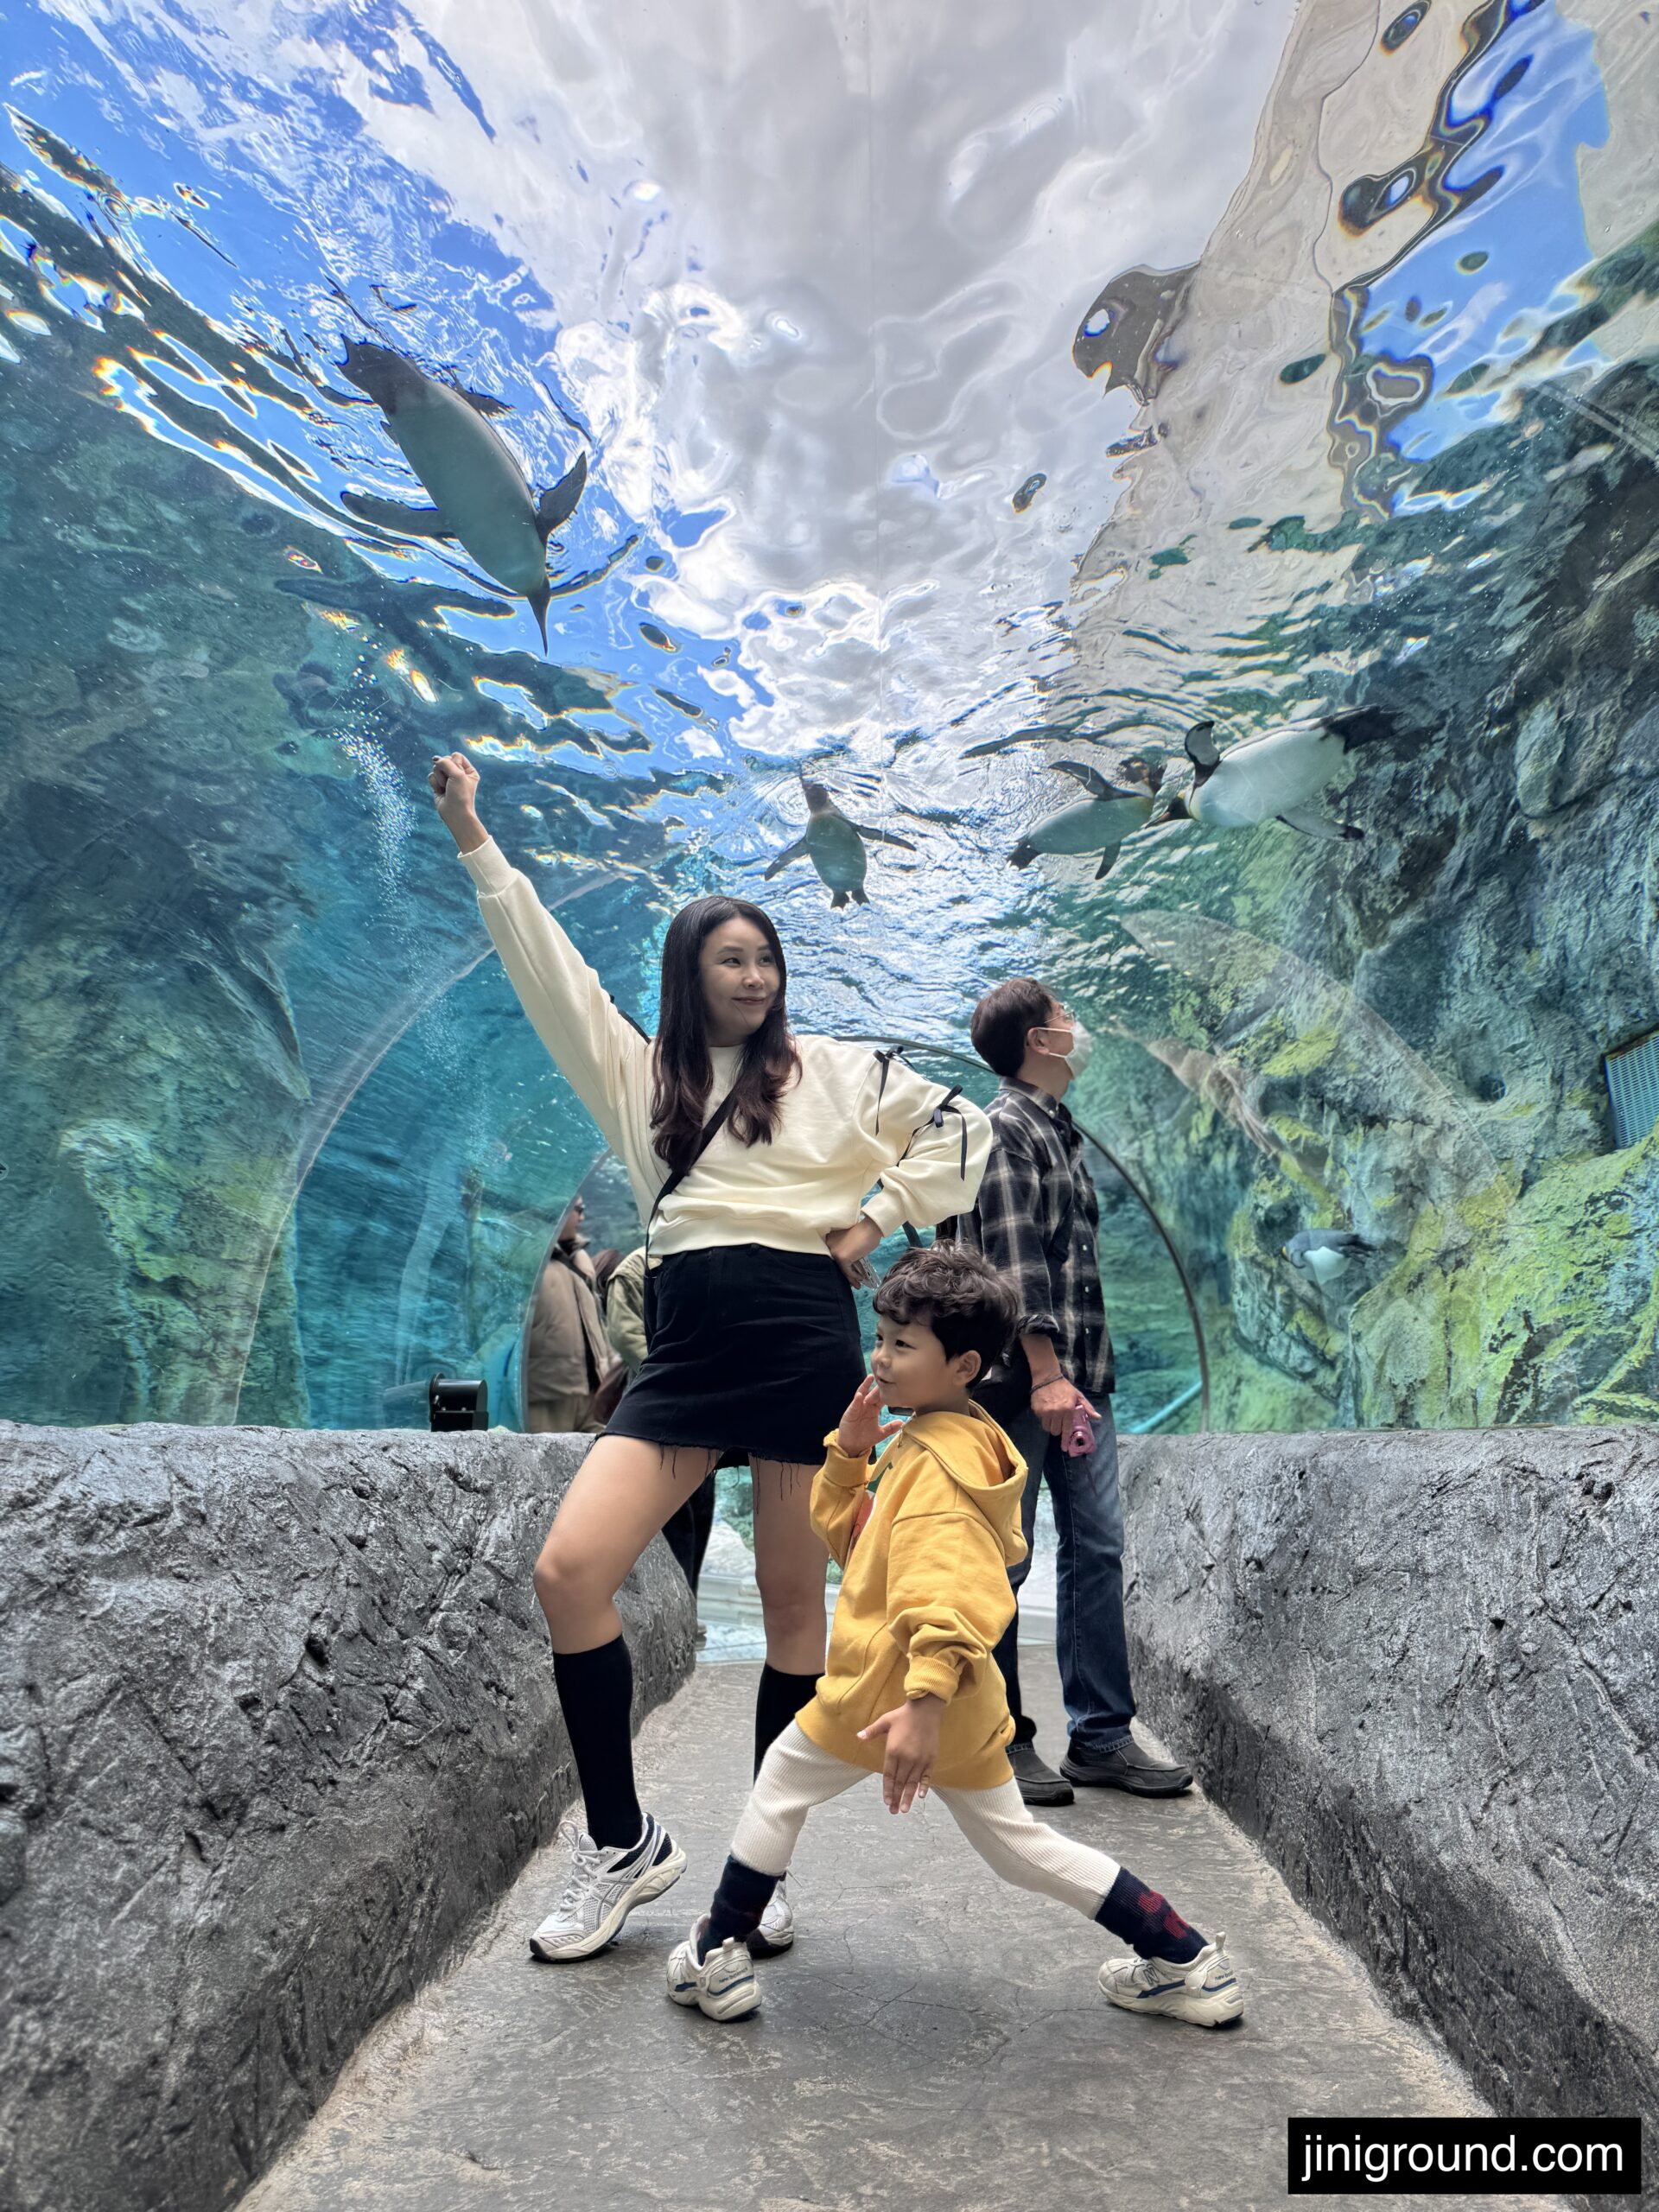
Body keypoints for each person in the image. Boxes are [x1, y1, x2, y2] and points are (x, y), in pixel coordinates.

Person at [428, 749, 990, 1965]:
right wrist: (476, 838)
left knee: (794, 1608)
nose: (755, 976)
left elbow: (966, 1123)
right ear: (689, 972)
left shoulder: (839, 1068)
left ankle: (758, 1863)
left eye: (766, 958)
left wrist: (877, 1216)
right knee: (569, 1572)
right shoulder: (644, 1076)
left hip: (801, 1338)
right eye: (731, 958)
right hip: (684, 1346)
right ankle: (622, 1842)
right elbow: (549, 972)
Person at [664, 1244, 1243, 2030]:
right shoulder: (948, 1439)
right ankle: (1185, 1957)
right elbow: (854, 1543)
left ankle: (716, 1955)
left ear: (965, 1365)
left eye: (904, 1345)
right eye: (880, 1338)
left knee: (780, 1784)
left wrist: (923, 1701)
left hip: (892, 1691)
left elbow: (948, 1589)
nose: (881, 1358)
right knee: (1019, 1847)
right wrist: (851, 1450)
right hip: (955, 1700)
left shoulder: (937, 1470)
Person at [955, 978, 1192, 1805]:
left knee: (1096, 1550)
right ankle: (997, 1740)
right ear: (1038, 1040)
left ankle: (1101, 1737)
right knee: (1004, 1558)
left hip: (1081, 1380)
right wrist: (1046, 1373)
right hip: (1021, 1385)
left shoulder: (1060, 1128)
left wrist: (1074, 1378)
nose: (1075, 1026)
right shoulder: (1004, 1127)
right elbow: (1013, 1261)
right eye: (1064, 1016)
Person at [605, 1244, 717, 1599]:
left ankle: (688, 1602)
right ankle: (673, 1604)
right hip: (660, 1412)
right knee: (670, 1521)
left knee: (699, 1512)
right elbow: (625, 1335)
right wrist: (672, 1378)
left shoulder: (708, 1255)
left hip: (704, 1415)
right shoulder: (635, 1268)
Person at [524, 1195, 617, 1433]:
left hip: (593, 1392)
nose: (582, 1217)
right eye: (579, 1209)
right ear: (559, 1208)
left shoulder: (581, 1260)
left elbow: (596, 1322)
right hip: (547, 1394)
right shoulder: (526, 1256)